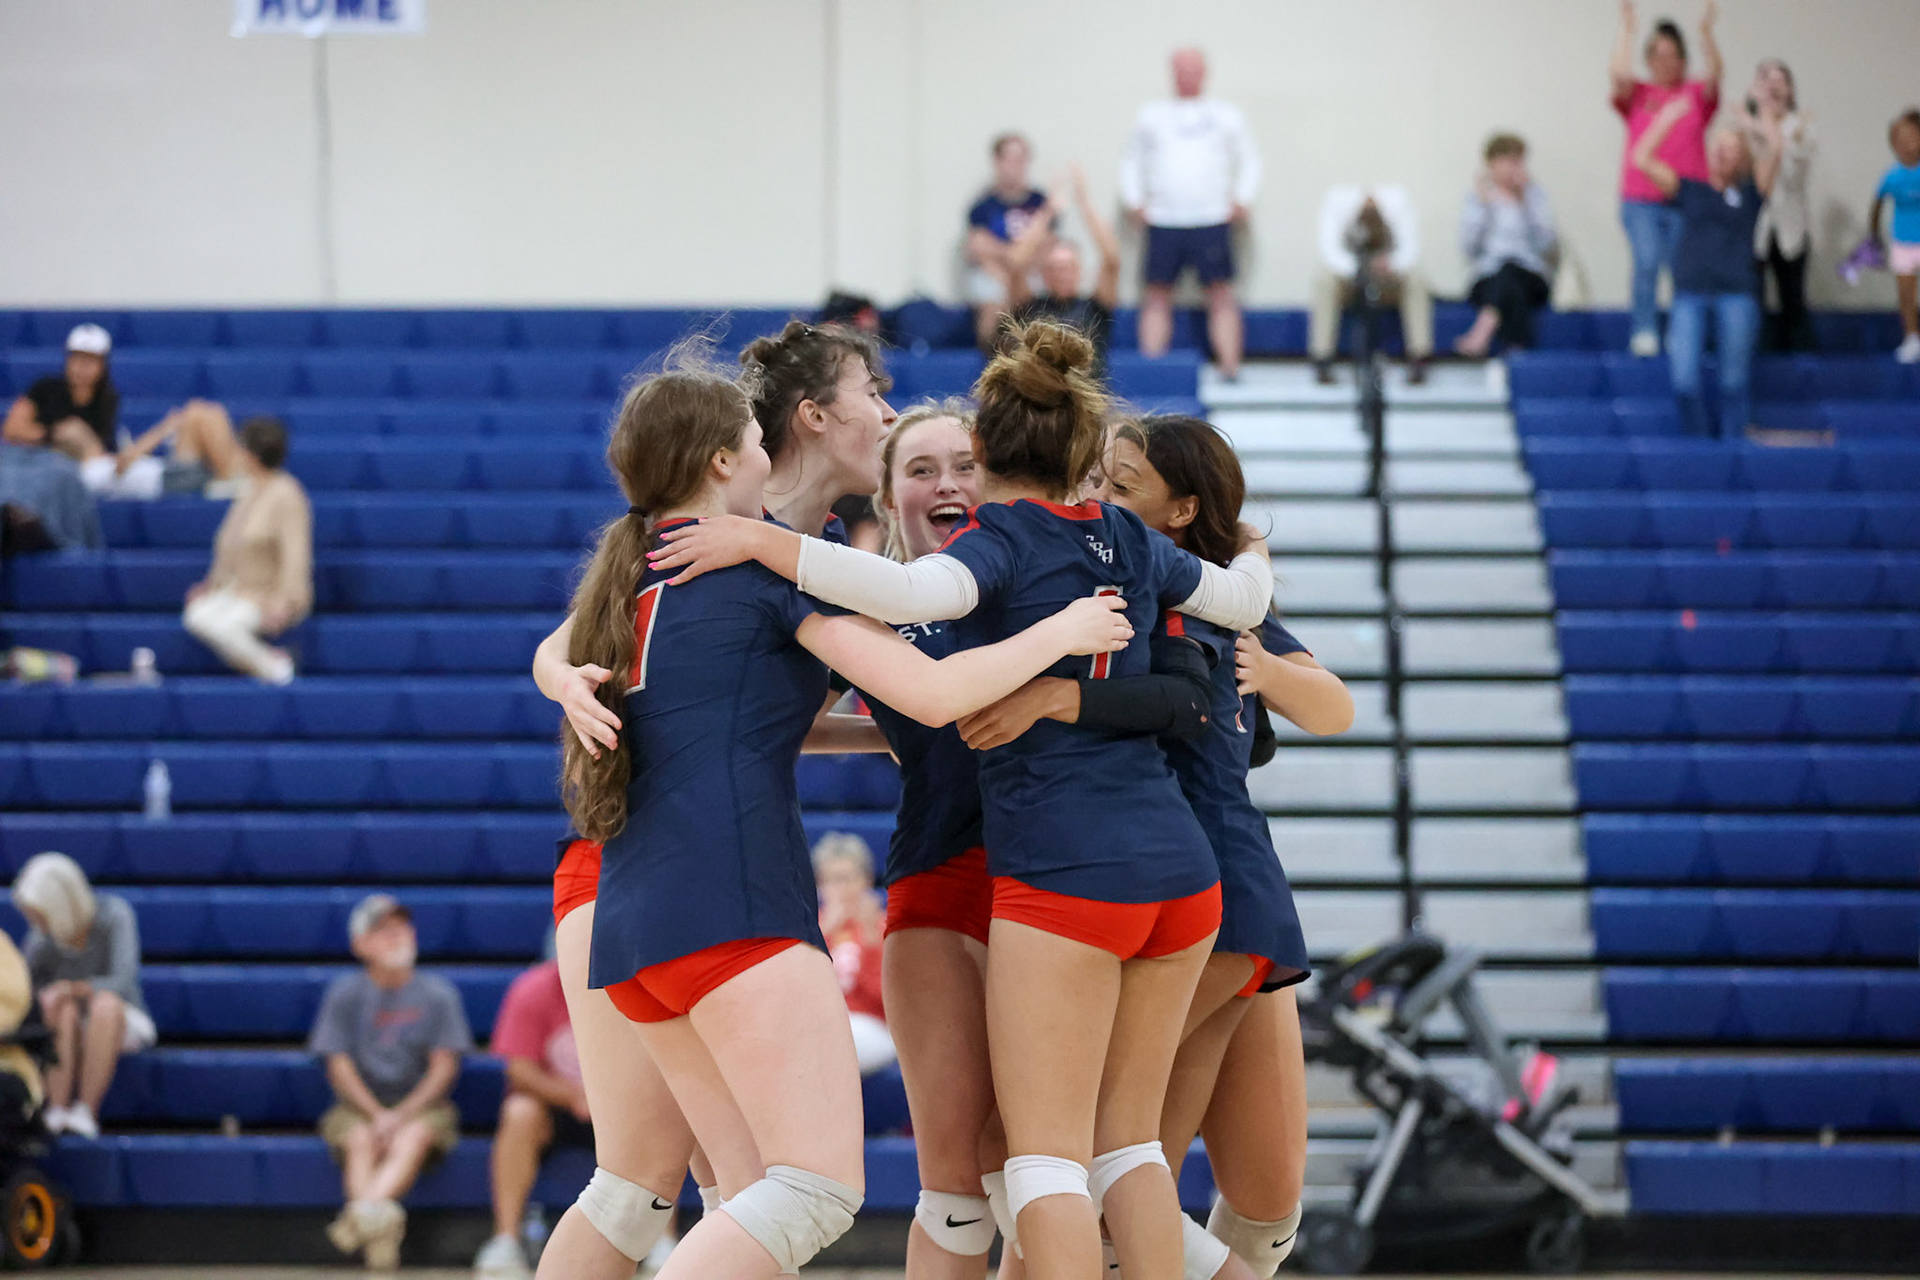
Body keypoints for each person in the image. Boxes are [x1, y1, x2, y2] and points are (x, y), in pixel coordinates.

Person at [645, 321, 1277, 1280]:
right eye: (920, 468)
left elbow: (1193, 692)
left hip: (1057, 878)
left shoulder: (1001, 563)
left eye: (960, 465)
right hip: (978, 880)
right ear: (889, 493)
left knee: (1048, 1159)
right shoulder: (898, 597)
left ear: (989, 465)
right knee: (1002, 1172)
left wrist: (1061, 686)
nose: (945, 483)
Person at [552, 352, 1132, 1280]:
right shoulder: (764, 567)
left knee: (718, 1199)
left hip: (626, 912)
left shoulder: (633, 573)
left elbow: (654, 684)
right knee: (812, 1190)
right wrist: (1063, 635)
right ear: (719, 464)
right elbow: (937, 693)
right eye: (751, 439)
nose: (763, 451)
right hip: (730, 902)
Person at [524, 323, 901, 1280]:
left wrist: (890, 734)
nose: (890, 413)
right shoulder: (735, 528)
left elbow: (741, 712)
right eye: (875, 390)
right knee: (759, 1190)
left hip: (633, 876)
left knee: (687, 1192)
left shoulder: (769, 540)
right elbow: (567, 647)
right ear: (809, 420)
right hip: (662, 867)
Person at [960, 415, 1353, 1279]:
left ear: (1179, 511)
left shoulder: (1179, 592)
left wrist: (1269, 671)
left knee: (1090, 1159)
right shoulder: (1131, 574)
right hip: (1202, 891)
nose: (1099, 496)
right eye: (1097, 478)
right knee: (1123, 1164)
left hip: (1201, 889)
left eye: (1122, 484)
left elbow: (1329, 708)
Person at [309, 894, 473, 1271]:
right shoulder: (344, 994)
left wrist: (400, 1115)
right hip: (357, 1108)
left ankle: (358, 1219)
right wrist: (376, 1114)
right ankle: (377, 1230)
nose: (397, 936)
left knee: (412, 1135)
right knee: (359, 1138)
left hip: (425, 1109)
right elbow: (338, 1066)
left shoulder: (438, 994)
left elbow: (444, 1068)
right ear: (360, 944)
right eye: (383, 930)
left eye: (402, 927)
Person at [1635, 95, 1780, 438]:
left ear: (1742, 156)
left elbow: (1775, 150)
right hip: (1690, 294)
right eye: (1718, 146)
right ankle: (1700, 445)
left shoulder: (1751, 194)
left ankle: (1734, 448)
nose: (1722, 152)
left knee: (1734, 382)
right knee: (1684, 380)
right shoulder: (1691, 189)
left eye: (1731, 148)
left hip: (1737, 294)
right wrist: (1667, 119)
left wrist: (1754, 125)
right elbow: (1641, 158)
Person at [1120, 47, 1260, 381]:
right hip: (1163, 219)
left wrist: (1242, 197)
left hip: (1212, 217)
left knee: (1222, 294)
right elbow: (1131, 160)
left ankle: (1230, 368)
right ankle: (1151, 370)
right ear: (1172, 72)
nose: (1187, 74)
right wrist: (1134, 200)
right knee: (1156, 294)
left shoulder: (1225, 114)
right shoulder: (1152, 114)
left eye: (1193, 68)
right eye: (1181, 68)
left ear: (1204, 72)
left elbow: (1250, 158)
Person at [10, 852, 153, 1141]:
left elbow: (122, 981)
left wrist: (76, 989)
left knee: (105, 1004)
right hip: (69, 1021)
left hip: (120, 1017)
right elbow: (26, 990)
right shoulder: (42, 937)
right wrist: (55, 995)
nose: (37, 922)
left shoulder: (115, 915)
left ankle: (87, 1109)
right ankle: (57, 1107)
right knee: (60, 1006)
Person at [1610, 0, 1724, 356]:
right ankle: (1644, 329)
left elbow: (1717, 74)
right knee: (1646, 262)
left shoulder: (1693, 96)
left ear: (1683, 61)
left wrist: (1706, 34)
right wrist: (1627, 29)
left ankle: (1683, 333)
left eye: (1672, 55)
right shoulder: (1640, 95)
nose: (1665, 62)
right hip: (1640, 198)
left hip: (1686, 199)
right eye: (1657, 55)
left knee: (1683, 270)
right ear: (1648, 60)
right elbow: (1618, 75)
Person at [473, 952, 596, 1279]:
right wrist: (573, 1096)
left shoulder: (626, 986)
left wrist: (604, 1100)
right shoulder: (533, 989)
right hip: (554, 1107)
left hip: (614, 1104)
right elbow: (519, 1070)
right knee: (519, 1111)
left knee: (654, 1115)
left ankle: (662, 1240)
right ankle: (506, 1239)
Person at [181, 416, 311, 683]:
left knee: (226, 626)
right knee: (196, 616)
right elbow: (229, 549)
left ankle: (277, 671)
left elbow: (296, 555)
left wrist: (285, 601)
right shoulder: (247, 492)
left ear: (252, 454)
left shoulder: (287, 495)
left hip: (267, 595)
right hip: (236, 592)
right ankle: (270, 662)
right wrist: (210, 585)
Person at [1310, 186, 1432, 384]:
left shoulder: (1399, 206)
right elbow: (1330, 253)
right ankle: (1322, 358)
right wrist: (1362, 267)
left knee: (1417, 279)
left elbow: (1410, 252)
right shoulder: (1337, 205)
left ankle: (1419, 356)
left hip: (1387, 278)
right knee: (1324, 280)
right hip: (1352, 279)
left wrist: (1389, 264)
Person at [1005, 165, 1122, 367]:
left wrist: (1084, 204)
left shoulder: (1095, 307)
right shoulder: (1030, 306)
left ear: (1079, 271)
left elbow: (1112, 259)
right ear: (1044, 274)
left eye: (1068, 267)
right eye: (1056, 268)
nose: (1062, 275)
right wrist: (1047, 211)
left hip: (1084, 394)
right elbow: (1015, 264)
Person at [1455, 135, 1560, 357]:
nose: (1515, 167)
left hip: (1531, 276)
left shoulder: (1534, 196)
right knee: (1508, 281)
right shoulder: (1478, 199)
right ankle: (1516, 351)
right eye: (1509, 161)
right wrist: (1483, 209)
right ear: (1492, 163)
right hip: (1489, 277)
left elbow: (1546, 244)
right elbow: (1468, 249)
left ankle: (1481, 334)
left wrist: (1526, 205)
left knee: (1512, 272)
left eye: (1519, 161)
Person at [1743, 60, 1817, 352]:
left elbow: (1793, 173)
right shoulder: (1746, 124)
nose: (1773, 87)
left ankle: (1798, 367)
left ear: (1790, 90)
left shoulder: (1803, 126)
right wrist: (1757, 124)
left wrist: (1776, 135)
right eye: (1766, 80)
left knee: (1792, 298)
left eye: (1779, 81)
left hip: (1790, 224)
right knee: (1752, 298)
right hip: (1753, 225)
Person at [46, 399, 242, 501]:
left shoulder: (102, 458)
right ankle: (229, 478)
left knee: (199, 410)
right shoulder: (87, 471)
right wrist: (164, 428)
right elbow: (122, 465)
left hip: (167, 470)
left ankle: (231, 474)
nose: (71, 422)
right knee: (198, 414)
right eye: (64, 426)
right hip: (167, 481)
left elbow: (129, 462)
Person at [813, 834, 895, 1076]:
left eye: (848, 879)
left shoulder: (882, 926)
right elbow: (797, 994)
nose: (842, 889)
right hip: (821, 1025)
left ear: (866, 880)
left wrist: (871, 942)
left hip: (873, 1026)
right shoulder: (811, 930)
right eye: (832, 880)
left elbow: (888, 1002)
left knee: (832, 1045)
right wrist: (823, 935)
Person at [967, 134, 1053, 351]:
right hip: (995, 275)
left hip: (1032, 273)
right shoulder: (983, 206)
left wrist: (1015, 261)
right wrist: (1014, 257)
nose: (1015, 166)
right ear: (997, 162)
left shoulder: (1039, 202)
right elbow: (978, 248)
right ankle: (989, 361)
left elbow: (1047, 246)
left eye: (1021, 159)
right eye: (1009, 159)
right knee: (993, 302)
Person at [2, 325, 119, 452]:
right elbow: (11, 428)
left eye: (90, 361)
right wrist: (54, 434)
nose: (82, 368)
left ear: (102, 366)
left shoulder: (107, 399)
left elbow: (99, 449)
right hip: (36, 458)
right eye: (77, 358)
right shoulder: (45, 388)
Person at [1871, 108, 1920, 364]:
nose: (1907, 143)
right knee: (1906, 292)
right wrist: (1874, 235)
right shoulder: (1892, 176)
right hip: (1902, 240)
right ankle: (1912, 338)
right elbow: (1877, 205)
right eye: (1900, 138)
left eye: (1913, 136)